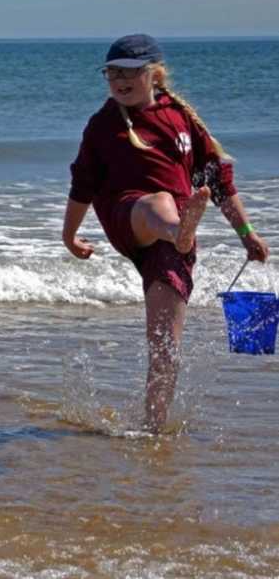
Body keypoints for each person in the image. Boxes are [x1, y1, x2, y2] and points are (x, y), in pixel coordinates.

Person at [62, 34, 269, 431]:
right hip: (129, 217)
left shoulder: (181, 117)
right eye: (112, 73)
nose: (120, 80)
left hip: (172, 243)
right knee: (158, 202)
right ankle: (179, 228)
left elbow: (219, 182)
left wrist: (246, 233)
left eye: (130, 72)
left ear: (154, 75)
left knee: (165, 344)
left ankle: (152, 428)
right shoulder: (104, 125)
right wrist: (69, 236)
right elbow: (82, 185)